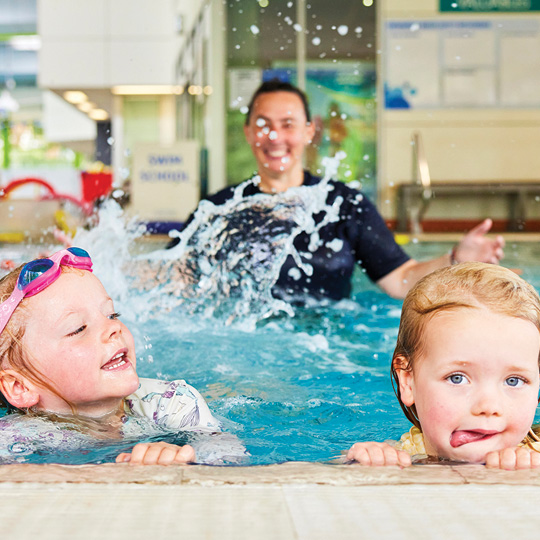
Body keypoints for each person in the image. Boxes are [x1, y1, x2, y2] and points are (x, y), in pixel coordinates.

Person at [168, 80, 504, 301]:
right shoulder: (219, 209)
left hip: (327, 347)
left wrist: (456, 260)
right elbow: (175, 276)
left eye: (287, 125)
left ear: (309, 131)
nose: (274, 137)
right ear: (247, 132)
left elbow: (399, 279)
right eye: (262, 125)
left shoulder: (343, 204)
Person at [0, 247, 226, 465]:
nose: (113, 328)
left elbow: (228, 459)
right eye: (78, 328)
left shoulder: (173, 403)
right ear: (19, 386)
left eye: (111, 314)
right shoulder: (15, 438)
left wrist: (184, 456)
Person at [346, 262, 540, 470]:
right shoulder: (406, 452)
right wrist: (362, 458)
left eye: (514, 381)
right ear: (408, 381)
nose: (488, 407)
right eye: (457, 378)